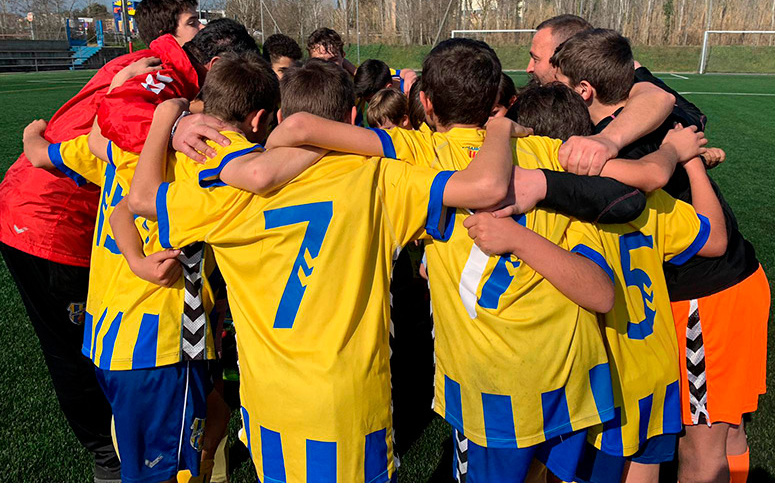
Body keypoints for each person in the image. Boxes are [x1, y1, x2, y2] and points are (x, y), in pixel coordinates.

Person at [265, 38, 677, 483]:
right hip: (571, 381)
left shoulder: (414, 153)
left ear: (424, 102)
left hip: (490, 389)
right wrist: (676, 152)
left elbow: (303, 127)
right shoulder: (545, 151)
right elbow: (641, 181)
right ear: (496, 97)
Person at [123, 58, 532, 483]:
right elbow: (483, 187)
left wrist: (170, 119)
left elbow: (140, 198)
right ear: (352, 117)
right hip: (349, 405)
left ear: (276, 118)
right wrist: (499, 127)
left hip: (271, 404)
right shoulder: (377, 176)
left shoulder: (225, 186)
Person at [550, 28, 770, 483]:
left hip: (708, 297)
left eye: (544, 67)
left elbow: (653, 177)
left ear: (585, 88)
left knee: (702, 445)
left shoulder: (622, 141)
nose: (535, 73)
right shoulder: (654, 109)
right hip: (721, 285)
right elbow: (663, 102)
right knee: (723, 430)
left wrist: (606, 151)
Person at [0, 0, 202, 483]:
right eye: (193, 21)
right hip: (49, 222)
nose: (200, 28)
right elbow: (119, 123)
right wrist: (171, 126)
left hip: (48, 201)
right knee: (78, 351)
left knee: (92, 341)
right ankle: (108, 455)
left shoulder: (150, 70)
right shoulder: (160, 70)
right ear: (170, 33)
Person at [501, 83, 727, 483]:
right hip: (657, 367)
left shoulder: (560, 215)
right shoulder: (643, 196)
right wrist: (691, 163)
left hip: (603, 379)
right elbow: (715, 240)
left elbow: (591, 289)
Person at [526, 14, 677, 176]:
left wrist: (607, 140)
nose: (529, 68)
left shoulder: (613, 147)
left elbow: (652, 175)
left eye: (536, 59)